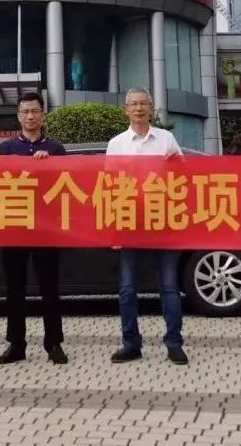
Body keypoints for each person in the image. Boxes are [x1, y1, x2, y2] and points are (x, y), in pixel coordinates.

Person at [105, 87, 187, 365]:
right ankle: (131, 343)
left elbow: (183, 176)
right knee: (127, 289)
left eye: (144, 104)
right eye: (134, 104)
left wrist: (176, 166)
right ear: (126, 110)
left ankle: (174, 343)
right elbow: (110, 187)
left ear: (151, 109)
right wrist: (114, 228)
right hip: (129, 223)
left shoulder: (166, 139)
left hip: (163, 222)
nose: (139, 108)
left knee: (169, 287)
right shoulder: (117, 144)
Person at [0, 91, 68, 365]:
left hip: (46, 228)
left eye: (35, 111)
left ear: (43, 114)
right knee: (14, 289)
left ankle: (54, 343)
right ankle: (16, 344)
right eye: (25, 111)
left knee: (50, 288)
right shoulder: (6, 149)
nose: (30, 116)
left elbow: (68, 186)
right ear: (18, 116)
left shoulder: (55, 148)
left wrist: (49, 166)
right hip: (14, 226)